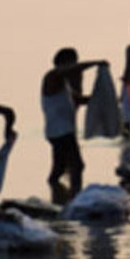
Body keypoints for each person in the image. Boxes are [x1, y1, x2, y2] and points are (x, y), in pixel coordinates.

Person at [41, 48, 109, 201]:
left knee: (59, 169)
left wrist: (108, 99)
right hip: (61, 132)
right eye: (74, 61)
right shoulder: (52, 76)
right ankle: (75, 199)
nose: (76, 66)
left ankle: (57, 195)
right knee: (77, 166)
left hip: (61, 131)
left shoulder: (64, 85)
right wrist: (96, 63)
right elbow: (71, 69)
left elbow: (79, 100)